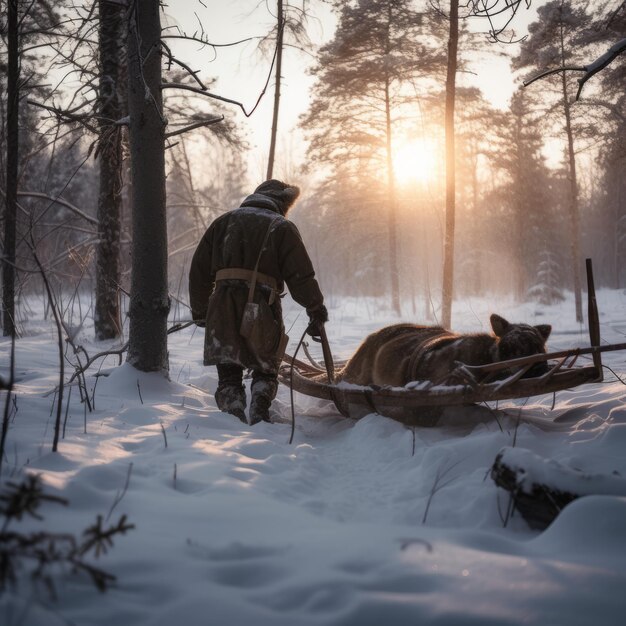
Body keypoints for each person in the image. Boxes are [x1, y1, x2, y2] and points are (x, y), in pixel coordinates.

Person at [188, 180, 327, 425]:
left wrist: (201, 311)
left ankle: (232, 415)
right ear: (282, 203)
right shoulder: (282, 227)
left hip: (223, 307)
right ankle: (260, 411)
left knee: (229, 367)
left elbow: (199, 272)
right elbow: (301, 276)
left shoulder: (223, 222)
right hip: (263, 307)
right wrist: (315, 309)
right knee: (266, 365)